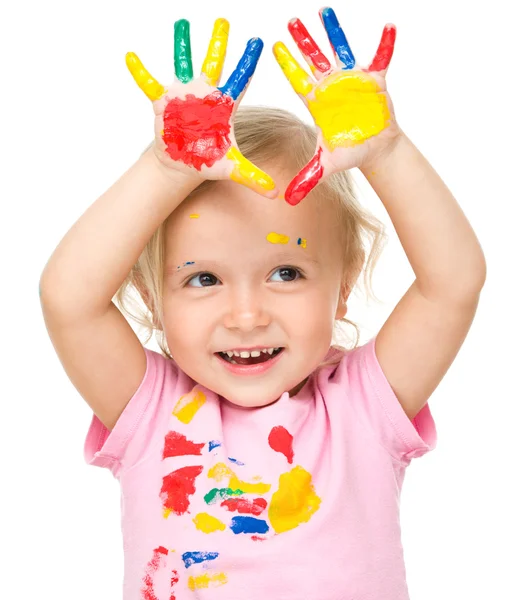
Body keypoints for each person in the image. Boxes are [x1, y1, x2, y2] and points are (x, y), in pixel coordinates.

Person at [39, 9, 486, 600]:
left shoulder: (362, 408)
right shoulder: (151, 412)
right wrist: (163, 170)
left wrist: (387, 153)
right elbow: (66, 298)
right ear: (152, 297)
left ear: (344, 285)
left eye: (285, 271)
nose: (246, 315)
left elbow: (453, 282)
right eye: (202, 280)